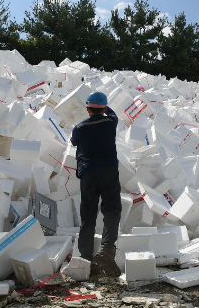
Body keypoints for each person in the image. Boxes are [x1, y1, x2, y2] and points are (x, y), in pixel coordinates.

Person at [71, 91, 122, 276]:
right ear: (105, 108)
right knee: (111, 209)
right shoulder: (111, 122)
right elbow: (113, 115)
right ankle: (106, 250)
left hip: (88, 172)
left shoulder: (79, 128)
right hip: (109, 169)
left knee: (88, 215)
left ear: (87, 108)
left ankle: (87, 261)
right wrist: (107, 108)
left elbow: (73, 141)